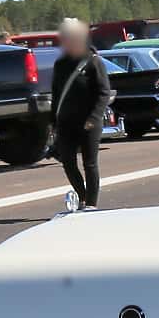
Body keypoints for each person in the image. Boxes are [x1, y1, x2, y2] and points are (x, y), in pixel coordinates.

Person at [49, 18, 114, 210]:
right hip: (66, 122)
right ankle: (82, 196)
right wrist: (53, 121)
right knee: (68, 162)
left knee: (90, 164)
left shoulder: (94, 62)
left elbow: (103, 93)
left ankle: (91, 205)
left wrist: (93, 118)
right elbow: (56, 94)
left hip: (89, 122)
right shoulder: (60, 65)